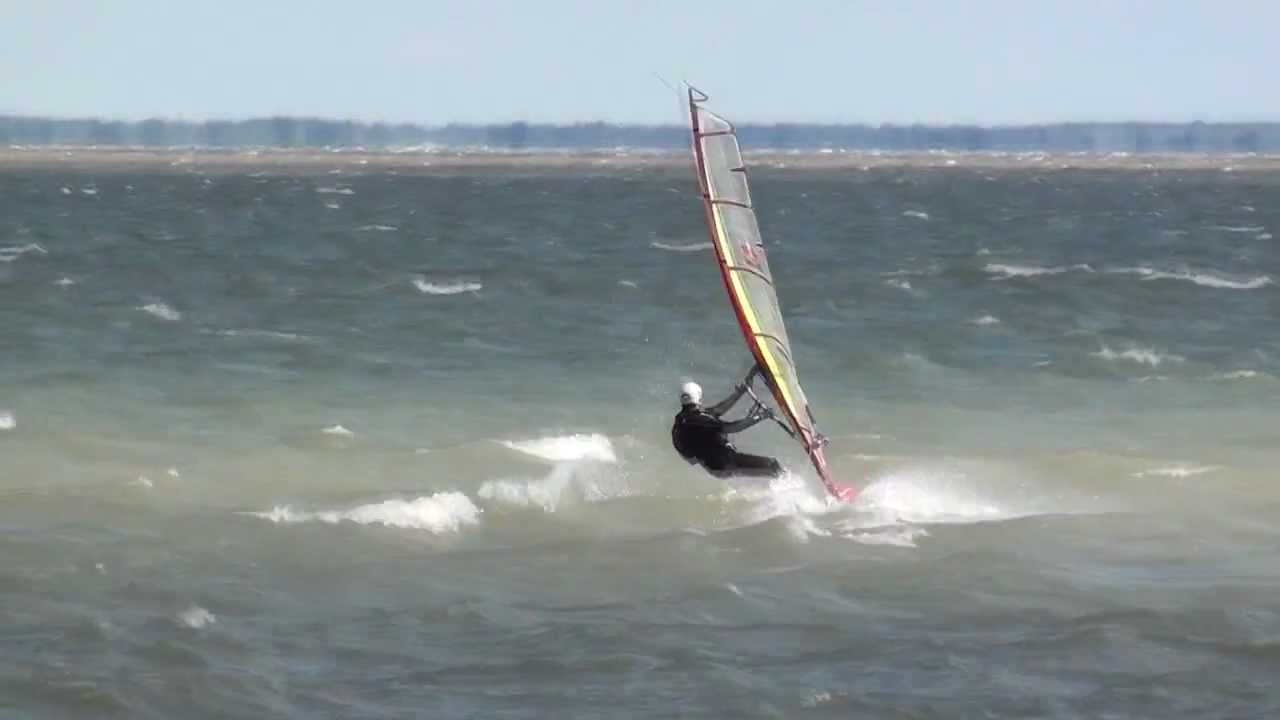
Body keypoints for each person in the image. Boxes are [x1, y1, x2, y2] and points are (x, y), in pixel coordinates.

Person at [671, 367, 784, 478]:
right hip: (725, 463)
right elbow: (733, 428)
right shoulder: (699, 420)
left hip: (716, 466)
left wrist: (740, 393)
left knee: (770, 469)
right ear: (699, 398)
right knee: (772, 465)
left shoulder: (684, 418)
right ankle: (791, 488)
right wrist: (761, 416)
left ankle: (781, 487)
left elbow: (718, 410)